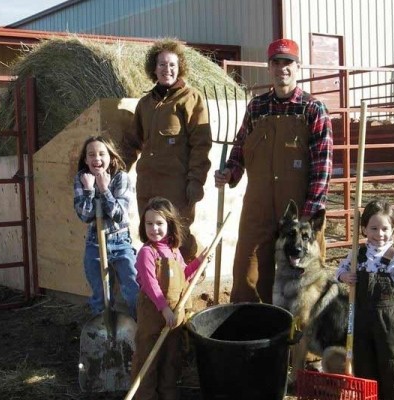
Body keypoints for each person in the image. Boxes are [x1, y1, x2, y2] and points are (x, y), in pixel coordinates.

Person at [214, 38, 333, 303]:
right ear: (269, 67)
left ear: (297, 67)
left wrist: (308, 217)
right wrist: (230, 172)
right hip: (258, 207)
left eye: (288, 63)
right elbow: (240, 148)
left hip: (299, 210)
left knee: (304, 280)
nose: (282, 69)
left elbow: (322, 168)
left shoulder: (313, 109)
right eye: (276, 63)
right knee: (249, 273)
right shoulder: (257, 107)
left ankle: (301, 340)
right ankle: (251, 334)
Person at [121, 39, 212, 263]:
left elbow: (201, 144)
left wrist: (196, 180)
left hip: (176, 184)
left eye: (172, 65)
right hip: (147, 184)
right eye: (162, 64)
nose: (167, 70)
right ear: (154, 68)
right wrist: (116, 170)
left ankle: (188, 274)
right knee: (151, 235)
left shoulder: (190, 98)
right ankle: (157, 288)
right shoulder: (145, 103)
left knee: (177, 235)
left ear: (180, 67)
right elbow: (132, 142)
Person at [336, 199, 394, 400]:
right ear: (363, 229)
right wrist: (344, 277)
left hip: (388, 321)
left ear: (392, 230)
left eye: (385, 228)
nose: (379, 234)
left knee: (392, 363)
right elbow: (338, 271)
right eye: (373, 228)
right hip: (361, 317)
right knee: (364, 362)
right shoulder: (357, 255)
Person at [131, 197, 206, 400]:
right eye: (149, 223)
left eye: (159, 223)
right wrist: (163, 308)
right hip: (154, 315)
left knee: (170, 358)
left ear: (169, 225)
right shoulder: (147, 253)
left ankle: (168, 394)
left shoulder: (174, 251)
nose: (154, 228)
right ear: (143, 225)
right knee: (148, 358)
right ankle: (145, 396)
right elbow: (150, 284)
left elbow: (183, 277)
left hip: (174, 318)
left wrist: (199, 262)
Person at [73, 135, 139, 320]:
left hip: (120, 241)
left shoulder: (121, 178)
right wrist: (89, 189)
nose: (97, 158)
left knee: (133, 290)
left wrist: (104, 189)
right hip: (95, 242)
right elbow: (85, 216)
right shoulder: (82, 178)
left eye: (102, 153)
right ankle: (105, 338)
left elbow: (119, 215)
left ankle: (142, 334)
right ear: (85, 159)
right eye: (91, 154)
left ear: (111, 157)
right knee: (99, 296)